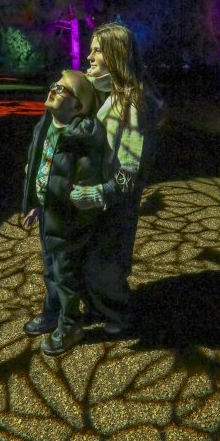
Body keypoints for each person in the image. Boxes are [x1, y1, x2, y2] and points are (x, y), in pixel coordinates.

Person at [70, 23, 160, 334]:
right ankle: (100, 308)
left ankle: (120, 317)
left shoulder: (131, 106)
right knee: (91, 259)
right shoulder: (114, 98)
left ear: (116, 55)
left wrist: (93, 195)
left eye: (97, 50)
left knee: (103, 263)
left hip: (113, 205)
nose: (89, 55)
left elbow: (128, 173)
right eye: (91, 48)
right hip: (103, 201)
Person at [22, 69, 106, 356]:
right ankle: (51, 311)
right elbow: (38, 168)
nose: (53, 89)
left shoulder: (81, 140)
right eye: (54, 85)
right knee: (50, 268)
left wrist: (76, 219)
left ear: (78, 105)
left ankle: (70, 325)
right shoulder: (46, 126)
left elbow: (85, 185)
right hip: (48, 213)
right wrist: (35, 203)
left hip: (68, 222)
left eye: (63, 89)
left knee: (66, 274)